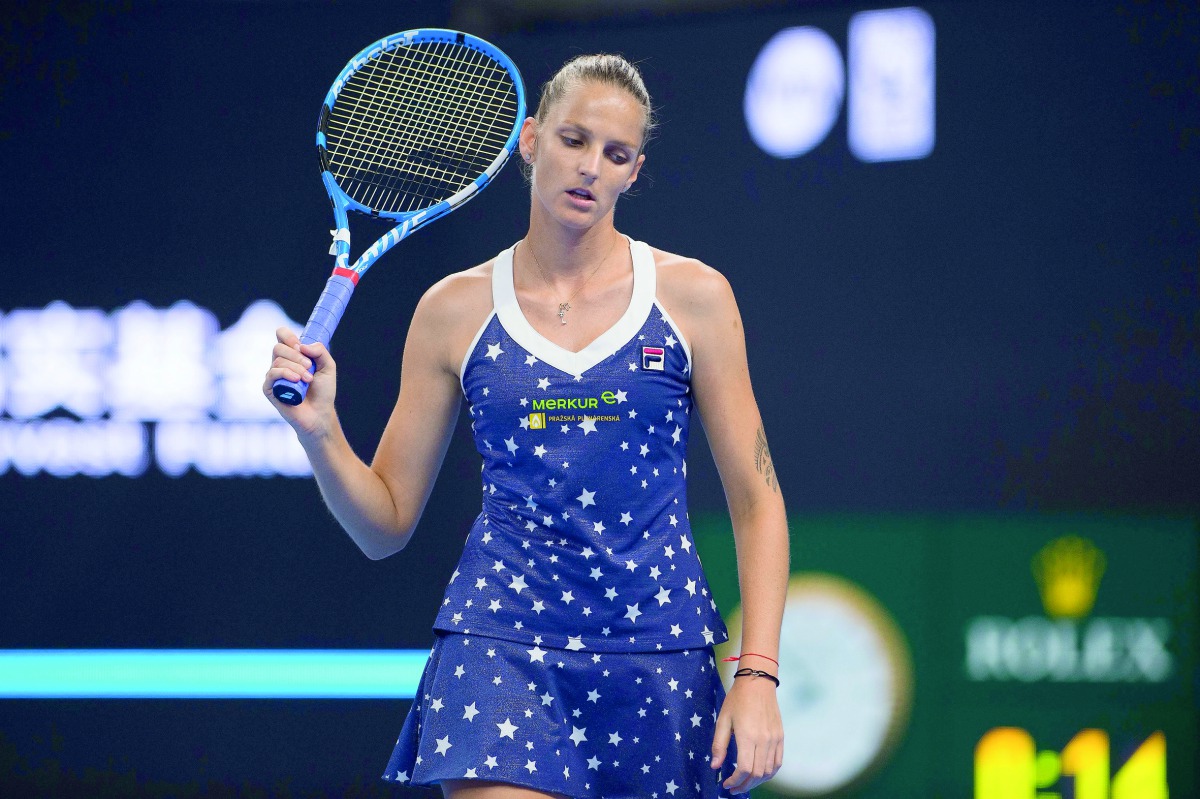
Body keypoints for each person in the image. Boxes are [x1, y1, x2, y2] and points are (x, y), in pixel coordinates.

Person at [265, 53, 788, 799]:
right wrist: (320, 432)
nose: (591, 168)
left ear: (634, 172)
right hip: (501, 647)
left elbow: (758, 501)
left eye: (616, 154)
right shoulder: (453, 307)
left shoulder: (694, 297)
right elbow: (384, 524)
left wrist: (759, 673)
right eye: (574, 140)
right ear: (530, 140)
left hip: (661, 651)